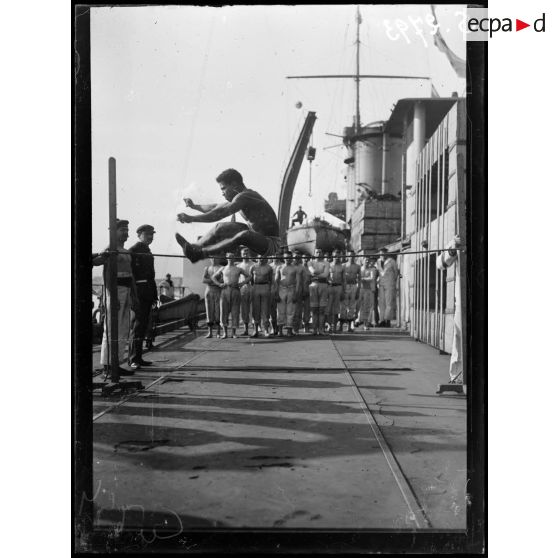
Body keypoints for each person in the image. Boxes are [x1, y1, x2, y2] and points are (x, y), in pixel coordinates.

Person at [175, 168, 281, 261]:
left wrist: (192, 218)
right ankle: (194, 248)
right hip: (258, 239)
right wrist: (195, 206)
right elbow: (215, 207)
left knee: (244, 234)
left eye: (223, 188)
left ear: (234, 184)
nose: (222, 193)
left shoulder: (246, 196)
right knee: (220, 227)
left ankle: (201, 253)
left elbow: (220, 213)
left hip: (271, 244)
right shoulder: (239, 198)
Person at [92, 219, 137, 376]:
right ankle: (108, 365)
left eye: (127, 230)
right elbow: (102, 268)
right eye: (122, 230)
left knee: (123, 329)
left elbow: (130, 276)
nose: (126, 233)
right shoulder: (111, 249)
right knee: (111, 329)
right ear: (114, 232)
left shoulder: (126, 251)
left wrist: (134, 295)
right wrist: (112, 296)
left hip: (126, 291)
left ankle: (118, 363)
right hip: (115, 292)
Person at [128, 224, 158, 369]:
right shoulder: (133, 251)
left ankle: (138, 358)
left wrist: (154, 295)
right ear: (139, 235)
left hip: (147, 292)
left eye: (152, 234)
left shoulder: (147, 251)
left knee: (143, 326)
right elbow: (131, 275)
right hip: (139, 292)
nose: (150, 237)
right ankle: (133, 358)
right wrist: (133, 295)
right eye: (147, 235)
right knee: (137, 326)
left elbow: (151, 276)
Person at [436, 235, 463, 386]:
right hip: (464, 299)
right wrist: (452, 250)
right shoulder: (458, 238)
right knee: (459, 335)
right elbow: (440, 263)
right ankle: (457, 376)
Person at [212, 252, 250, 339]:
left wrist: (241, 283)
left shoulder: (238, 269)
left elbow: (249, 276)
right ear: (226, 258)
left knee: (235, 312)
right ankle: (225, 333)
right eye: (229, 257)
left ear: (234, 258)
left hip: (235, 290)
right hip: (225, 290)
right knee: (224, 312)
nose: (230, 258)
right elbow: (213, 277)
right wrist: (219, 284)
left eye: (232, 257)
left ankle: (234, 333)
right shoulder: (223, 268)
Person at [275, 250, 301, 337]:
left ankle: (289, 330)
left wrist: (296, 294)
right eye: (286, 257)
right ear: (283, 258)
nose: (288, 259)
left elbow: (298, 282)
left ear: (291, 258)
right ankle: (280, 331)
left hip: (291, 289)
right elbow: (276, 281)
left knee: (290, 311)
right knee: (280, 311)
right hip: (281, 289)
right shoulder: (279, 267)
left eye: (289, 258)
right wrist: (276, 293)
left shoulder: (295, 268)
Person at [250, 255, 274, 338]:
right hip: (256, 287)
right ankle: (255, 330)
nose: (261, 258)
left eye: (263, 257)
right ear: (256, 258)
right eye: (259, 257)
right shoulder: (253, 267)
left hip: (265, 287)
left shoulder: (269, 268)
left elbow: (271, 280)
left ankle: (266, 330)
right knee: (255, 310)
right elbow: (251, 280)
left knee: (265, 310)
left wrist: (269, 289)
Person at [308, 248, 330, 335]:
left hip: (323, 285)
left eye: (320, 252)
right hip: (313, 285)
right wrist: (319, 272)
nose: (318, 253)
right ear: (314, 253)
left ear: (323, 253)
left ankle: (321, 329)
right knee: (314, 309)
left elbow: (325, 275)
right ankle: (314, 329)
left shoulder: (326, 263)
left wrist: (316, 273)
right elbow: (312, 272)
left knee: (322, 309)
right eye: (317, 252)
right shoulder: (310, 262)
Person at [376, 248, 399, 328]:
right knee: (381, 303)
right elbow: (378, 273)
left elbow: (396, 272)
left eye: (383, 254)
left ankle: (387, 320)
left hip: (389, 284)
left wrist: (393, 282)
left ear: (386, 253)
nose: (382, 255)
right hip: (381, 284)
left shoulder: (392, 261)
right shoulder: (378, 262)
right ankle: (382, 320)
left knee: (389, 303)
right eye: (380, 254)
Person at [202, 256, 223, 338]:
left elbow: (223, 280)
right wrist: (214, 281)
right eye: (212, 258)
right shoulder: (207, 268)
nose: (214, 259)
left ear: (218, 258)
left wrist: (211, 281)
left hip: (218, 290)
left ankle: (218, 332)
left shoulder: (221, 268)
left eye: (215, 257)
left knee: (218, 310)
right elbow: (203, 280)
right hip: (209, 290)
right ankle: (209, 332)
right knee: (209, 311)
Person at [341, 250, 361, 332]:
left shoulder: (357, 266)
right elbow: (342, 279)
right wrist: (342, 289)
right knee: (343, 306)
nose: (351, 257)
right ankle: (341, 325)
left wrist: (358, 290)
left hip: (353, 286)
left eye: (353, 256)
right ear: (347, 256)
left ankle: (349, 326)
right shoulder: (343, 265)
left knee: (352, 306)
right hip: (345, 286)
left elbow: (359, 279)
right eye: (349, 256)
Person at [327, 250, 345, 334]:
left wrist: (343, 291)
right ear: (333, 256)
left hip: (338, 287)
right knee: (329, 308)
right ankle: (329, 325)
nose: (337, 258)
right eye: (335, 256)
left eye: (338, 256)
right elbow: (326, 277)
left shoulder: (342, 267)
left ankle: (334, 326)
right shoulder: (329, 265)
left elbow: (344, 280)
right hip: (330, 287)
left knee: (336, 309)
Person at [238, 247, 254, 336]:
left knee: (254, 309)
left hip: (252, 287)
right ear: (241, 254)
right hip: (243, 288)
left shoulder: (254, 264)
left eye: (247, 253)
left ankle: (256, 329)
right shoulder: (239, 266)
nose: (245, 254)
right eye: (244, 253)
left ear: (249, 254)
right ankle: (246, 329)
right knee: (244, 309)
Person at [359, 257, 379, 329]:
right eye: (365, 260)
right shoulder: (360, 269)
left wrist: (363, 279)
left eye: (368, 261)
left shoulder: (372, 269)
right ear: (362, 261)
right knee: (359, 306)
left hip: (368, 290)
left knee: (367, 307)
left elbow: (372, 278)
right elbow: (357, 277)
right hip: (360, 289)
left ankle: (366, 323)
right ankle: (357, 321)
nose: (367, 262)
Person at [268, 251, 283, 335]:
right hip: (271, 290)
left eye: (277, 254)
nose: (275, 256)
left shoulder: (282, 265)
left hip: (281, 289)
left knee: (280, 311)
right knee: (271, 311)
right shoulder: (269, 266)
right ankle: (273, 328)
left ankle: (279, 328)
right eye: (274, 254)